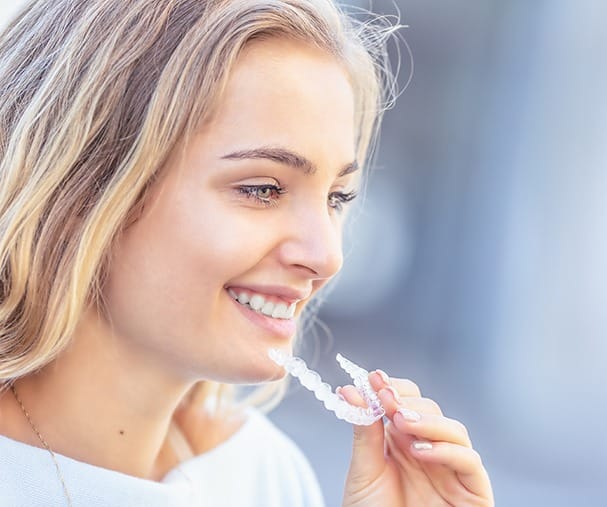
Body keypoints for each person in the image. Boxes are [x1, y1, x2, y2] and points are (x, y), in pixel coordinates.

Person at [0, 0, 494, 505]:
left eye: (337, 198)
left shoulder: (265, 476)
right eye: (263, 188)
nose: (326, 257)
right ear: (78, 190)